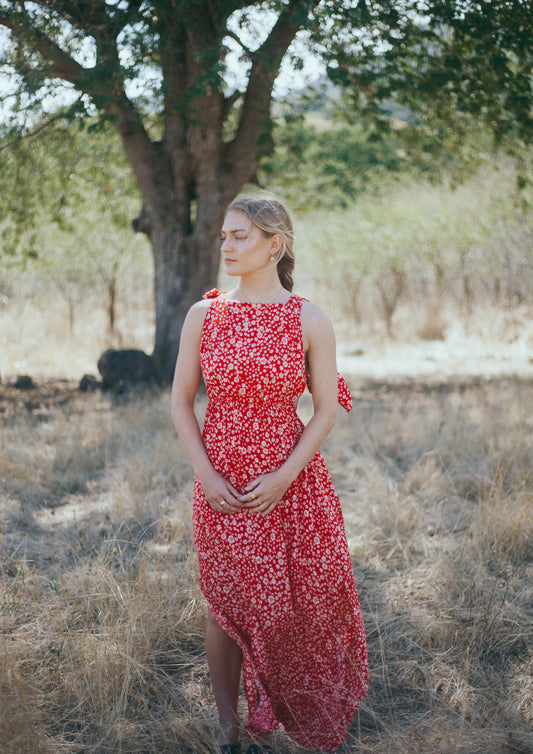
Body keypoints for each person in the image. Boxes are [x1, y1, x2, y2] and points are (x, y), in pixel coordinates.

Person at [171, 195, 368, 754]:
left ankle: (297, 707)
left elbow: (325, 410)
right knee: (227, 601)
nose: (226, 246)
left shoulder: (310, 319)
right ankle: (227, 726)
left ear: (274, 244)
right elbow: (182, 403)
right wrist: (205, 475)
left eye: (240, 237)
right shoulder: (204, 315)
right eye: (226, 236)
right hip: (221, 479)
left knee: (299, 601)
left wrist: (284, 475)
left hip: (292, 481)